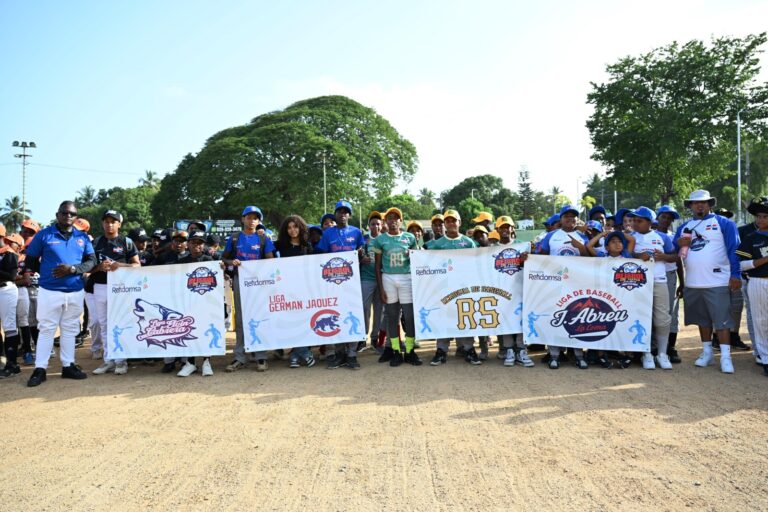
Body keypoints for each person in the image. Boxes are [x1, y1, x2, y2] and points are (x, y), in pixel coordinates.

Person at [24, 201, 97, 387]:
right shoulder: (44, 235)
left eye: (72, 214)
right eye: (64, 213)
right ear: (58, 215)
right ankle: (40, 369)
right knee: (47, 329)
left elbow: (91, 261)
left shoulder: (82, 237)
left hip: (75, 291)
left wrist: (73, 269)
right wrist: (47, 272)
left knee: (70, 329)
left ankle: (68, 365)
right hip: (50, 291)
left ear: (76, 216)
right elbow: (31, 260)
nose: (68, 216)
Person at [674, 190, 741, 374]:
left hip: (718, 281)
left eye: (703, 202)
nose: (699, 206)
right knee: (702, 320)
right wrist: (678, 244)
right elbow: (674, 250)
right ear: (690, 206)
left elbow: (734, 249)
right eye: (695, 203)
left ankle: (726, 357)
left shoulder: (724, 223)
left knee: (722, 321)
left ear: (710, 204)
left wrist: (736, 274)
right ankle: (707, 353)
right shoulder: (684, 226)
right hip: (694, 282)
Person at [87, 210, 141, 377]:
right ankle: (109, 359)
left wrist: (120, 265)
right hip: (100, 286)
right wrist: (98, 267)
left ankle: (121, 361)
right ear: (102, 223)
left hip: (120, 288)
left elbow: (137, 265)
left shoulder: (126, 242)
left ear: (119, 224)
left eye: (113, 221)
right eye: (106, 221)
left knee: (120, 323)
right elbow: (87, 267)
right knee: (103, 324)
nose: (109, 224)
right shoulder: (95, 243)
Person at [426, 210, 482, 366]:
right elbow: (426, 263)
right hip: (443, 288)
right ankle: (441, 350)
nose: (451, 223)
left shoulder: (468, 242)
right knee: (443, 316)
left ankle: (469, 349)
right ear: (445, 224)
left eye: (454, 220)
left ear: (460, 222)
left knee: (465, 316)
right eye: (448, 221)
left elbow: (476, 263)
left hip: (463, 287)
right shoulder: (436, 244)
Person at [223, 206, 275, 373]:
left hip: (259, 283)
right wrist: (232, 262)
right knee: (241, 319)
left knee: (259, 317)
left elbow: (270, 260)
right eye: (249, 217)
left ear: (259, 221)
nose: (252, 220)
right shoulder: (235, 238)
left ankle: (261, 356)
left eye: (255, 218)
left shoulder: (263, 239)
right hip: (240, 281)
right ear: (243, 219)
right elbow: (224, 258)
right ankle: (240, 357)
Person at [315, 200, 366, 369]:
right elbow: (321, 255)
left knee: (353, 314)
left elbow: (362, 253)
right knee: (335, 314)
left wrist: (360, 254)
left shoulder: (356, 232)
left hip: (352, 282)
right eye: (339, 212)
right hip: (332, 282)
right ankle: (339, 353)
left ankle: (351, 354)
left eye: (346, 212)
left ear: (349, 215)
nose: (342, 214)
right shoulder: (328, 234)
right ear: (335, 215)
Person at [539, 205, 590, 369]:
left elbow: (592, 259)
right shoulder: (551, 236)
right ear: (560, 219)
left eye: (573, 216)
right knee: (555, 316)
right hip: (555, 283)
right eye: (566, 216)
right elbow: (540, 255)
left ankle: (578, 354)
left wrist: (580, 247)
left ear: (577, 219)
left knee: (577, 317)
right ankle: (554, 354)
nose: (570, 219)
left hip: (578, 284)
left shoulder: (583, 237)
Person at [372, 207, 421, 367]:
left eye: (396, 218)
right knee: (392, 317)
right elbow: (377, 265)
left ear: (401, 221)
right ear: (386, 221)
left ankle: (409, 351)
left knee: (409, 316)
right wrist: (381, 289)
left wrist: (412, 255)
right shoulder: (380, 239)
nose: (393, 220)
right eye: (390, 218)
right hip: (388, 278)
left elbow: (419, 260)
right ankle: (395, 351)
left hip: (407, 278)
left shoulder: (410, 237)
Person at [628, 207, 675, 370]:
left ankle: (662, 354)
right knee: (642, 318)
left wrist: (664, 257)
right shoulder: (629, 238)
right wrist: (637, 257)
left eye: (639, 221)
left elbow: (675, 256)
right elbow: (623, 257)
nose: (635, 223)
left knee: (662, 319)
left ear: (649, 222)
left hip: (659, 280)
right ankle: (646, 353)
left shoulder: (662, 237)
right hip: (636, 283)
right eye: (633, 220)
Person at [274, 215, 316, 369]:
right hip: (287, 290)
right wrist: (261, 235)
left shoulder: (308, 246)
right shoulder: (280, 245)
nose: (293, 230)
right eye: (289, 227)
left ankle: (295, 354)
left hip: (305, 290)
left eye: (295, 227)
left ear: (301, 228)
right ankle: (303, 353)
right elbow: (264, 251)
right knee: (292, 321)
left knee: (305, 321)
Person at [175, 232, 218, 376]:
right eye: (193, 242)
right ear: (188, 244)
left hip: (206, 303)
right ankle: (190, 363)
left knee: (205, 330)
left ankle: (207, 361)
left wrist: (222, 267)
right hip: (188, 303)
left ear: (204, 245)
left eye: (200, 242)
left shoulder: (210, 260)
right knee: (189, 331)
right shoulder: (182, 261)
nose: (196, 245)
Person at [735, 197, 768, 377]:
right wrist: (762, 260)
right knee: (760, 321)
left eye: (765, 217)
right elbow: (740, 264)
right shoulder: (750, 238)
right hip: (757, 281)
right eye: (758, 217)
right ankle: (765, 358)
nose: (760, 220)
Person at [656, 205, 684, 363]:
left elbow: (679, 261)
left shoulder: (674, 237)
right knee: (655, 311)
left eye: (669, 218)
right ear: (658, 217)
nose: (666, 220)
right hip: (655, 275)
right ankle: (655, 346)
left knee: (671, 312)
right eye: (664, 217)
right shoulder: (651, 234)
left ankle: (670, 347)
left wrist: (682, 282)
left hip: (671, 275)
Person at [361, 212, 386, 354]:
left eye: (378, 224)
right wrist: (360, 259)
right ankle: (362, 337)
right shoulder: (363, 240)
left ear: (381, 225)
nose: (375, 226)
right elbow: (356, 256)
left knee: (379, 311)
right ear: (369, 226)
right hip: (366, 278)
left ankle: (375, 338)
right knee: (364, 308)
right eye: (372, 224)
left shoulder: (384, 240)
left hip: (381, 279)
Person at [0, 233, 21, 379]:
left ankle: (12, 365)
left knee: (9, 326)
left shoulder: (10, 254)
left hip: (6, 289)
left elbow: (12, 275)